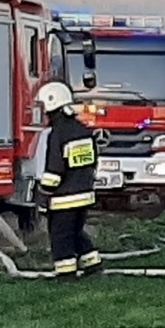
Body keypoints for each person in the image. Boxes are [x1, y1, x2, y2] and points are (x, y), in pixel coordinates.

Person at [35, 82, 102, 278]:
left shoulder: (58, 134)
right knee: (76, 232)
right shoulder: (83, 130)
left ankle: (66, 274)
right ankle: (93, 265)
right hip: (85, 194)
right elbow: (92, 161)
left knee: (61, 236)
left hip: (64, 198)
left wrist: (43, 193)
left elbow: (55, 171)